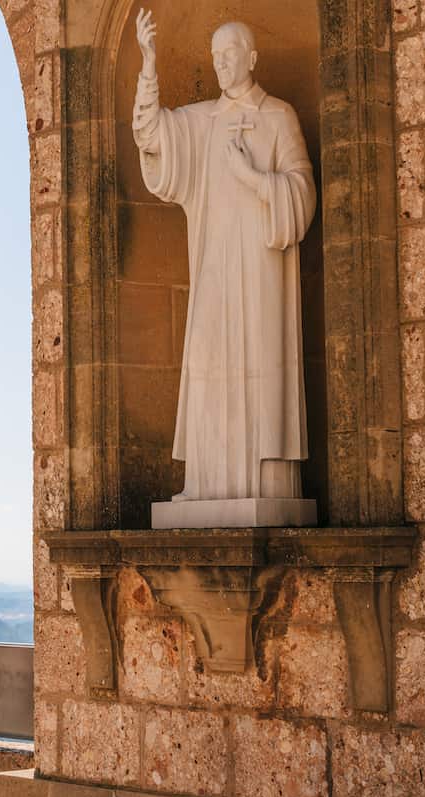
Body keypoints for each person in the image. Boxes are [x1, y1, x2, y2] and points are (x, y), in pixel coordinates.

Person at [132, 13, 317, 502]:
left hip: (262, 276)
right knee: (210, 359)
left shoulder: (280, 116)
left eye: (229, 53)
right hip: (213, 269)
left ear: (252, 58)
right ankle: (209, 482)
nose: (220, 63)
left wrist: (253, 177)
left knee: (261, 360)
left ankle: (266, 483)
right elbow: (151, 137)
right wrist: (149, 65)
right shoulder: (201, 123)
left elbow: (302, 196)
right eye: (214, 56)